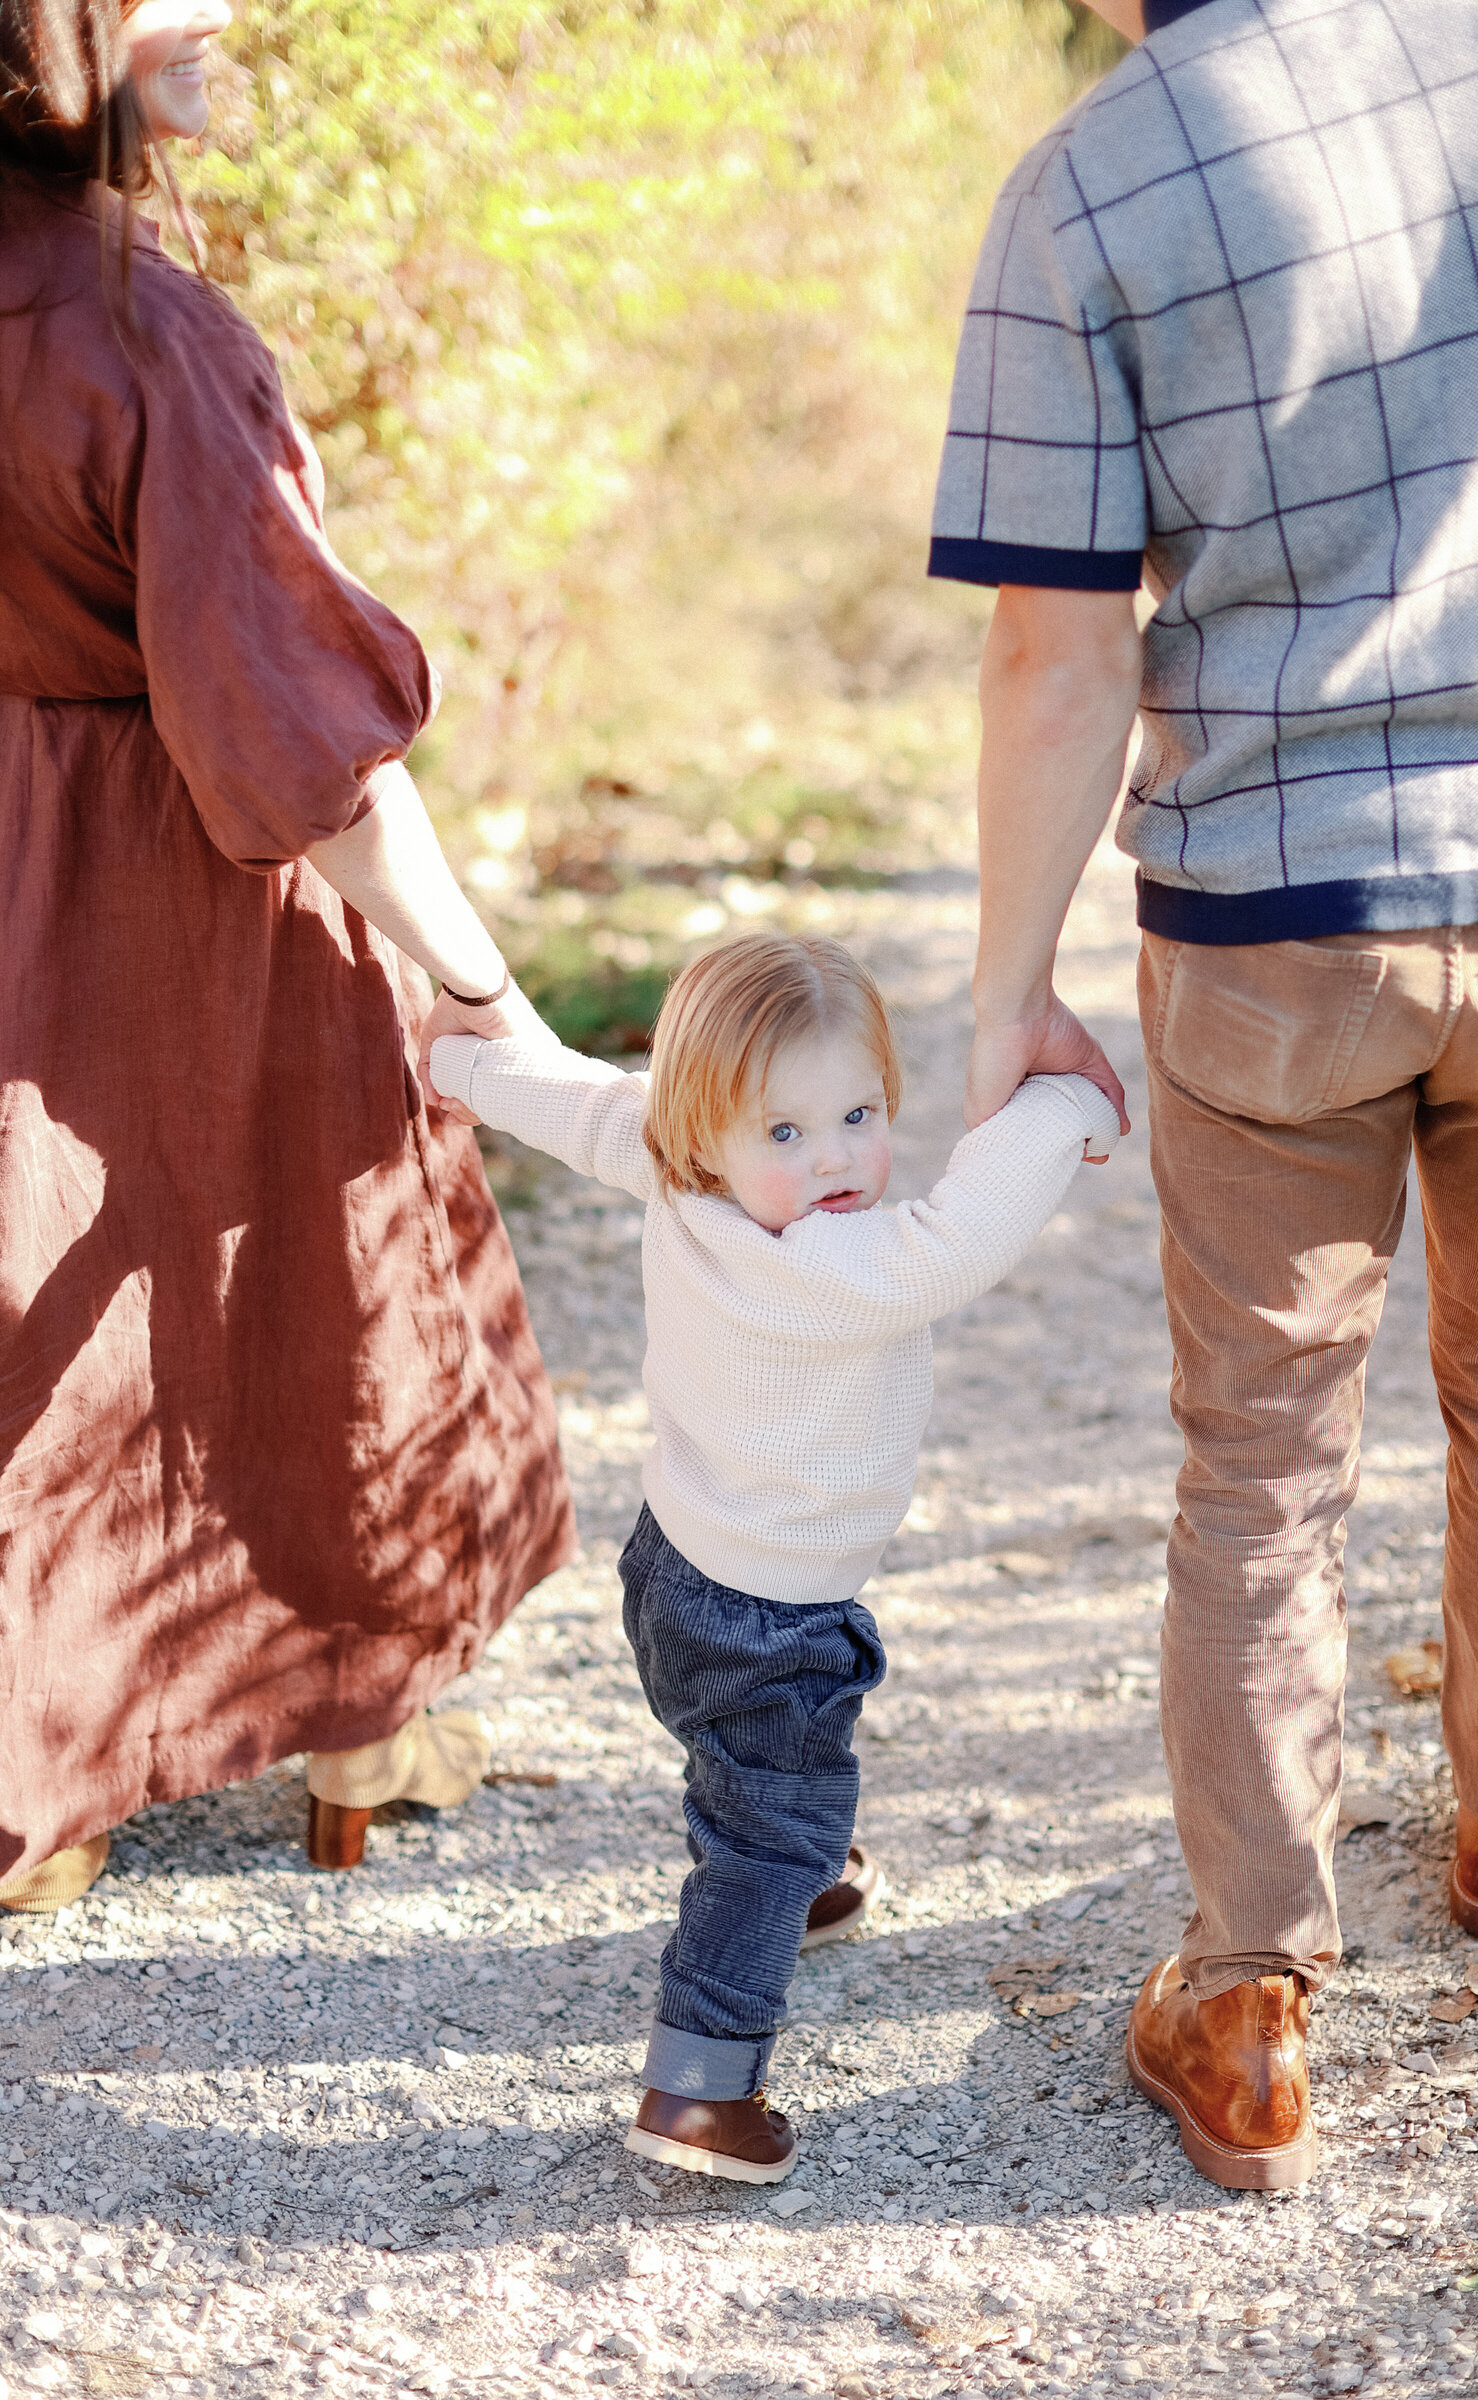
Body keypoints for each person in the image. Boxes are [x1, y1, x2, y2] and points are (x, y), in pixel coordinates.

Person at [931, 0, 1478, 2189]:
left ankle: (1245, 2007)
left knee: (1258, 1471)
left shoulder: (1093, 178)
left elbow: (1054, 649)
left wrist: (1005, 993)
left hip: (1265, 924)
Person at [0, 0, 575, 1910]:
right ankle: (359, 1739)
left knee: (26, 1303)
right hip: (192, 879)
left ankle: (41, 1802)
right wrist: (482, 987)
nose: (222, 13)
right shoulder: (146, 332)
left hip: (17, 865)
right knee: (318, 1274)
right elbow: (301, 752)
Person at [428, 931, 1120, 2179]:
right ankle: (698, 2084)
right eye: (785, 1135)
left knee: (754, 1782)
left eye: (856, 1114)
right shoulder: (837, 1263)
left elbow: (589, 1107)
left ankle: (795, 1873)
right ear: (708, 1138)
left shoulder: (677, 1174)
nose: (835, 1161)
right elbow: (963, 1236)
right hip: (771, 1619)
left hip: (675, 1574)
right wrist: (1060, 1102)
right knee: (770, 1825)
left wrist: (466, 1072)